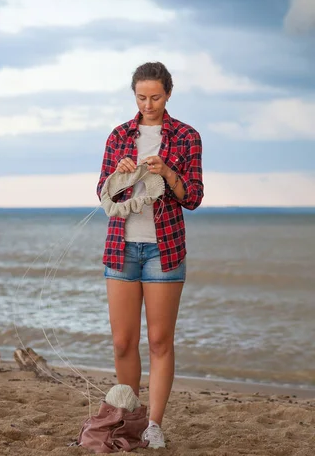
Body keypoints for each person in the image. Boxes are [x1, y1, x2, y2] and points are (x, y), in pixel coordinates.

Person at [97, 61, 204, 449]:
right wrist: (121, 174)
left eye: (155, 97)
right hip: (121, 247)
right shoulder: (119, 136)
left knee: (160, 341)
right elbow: (103, 192)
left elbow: (192, 196)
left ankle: (153, 425)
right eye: (141, 97)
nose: (148, 104)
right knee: (123, 342)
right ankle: (129, 418)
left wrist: (167, 170)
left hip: (165, 248)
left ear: (168, 94)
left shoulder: (187, 136)